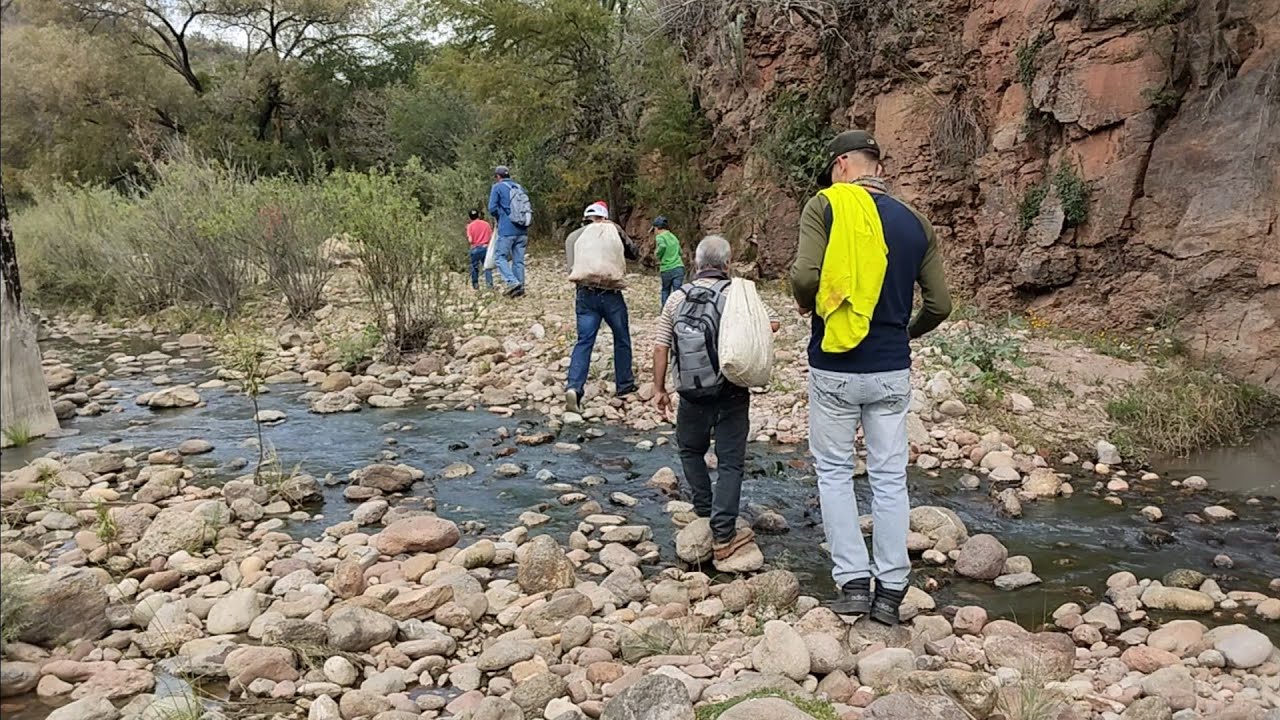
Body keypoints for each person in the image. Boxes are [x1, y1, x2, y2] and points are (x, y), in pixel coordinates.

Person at [789, 129, 952, 624]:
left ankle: (854, 585)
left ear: (842, 165)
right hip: (890, 369)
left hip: (835, 367)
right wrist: (906, 330)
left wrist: (809, 306)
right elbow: (940, 305)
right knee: (888, 478)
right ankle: (891, 591)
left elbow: (803, 277)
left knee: (835, 474)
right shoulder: (915, 222)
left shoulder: (827, 206)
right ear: (877, 168)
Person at [653, 235, 779, 562]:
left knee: (690, 450)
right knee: (730, 462)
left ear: (696, 263)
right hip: (730, 391)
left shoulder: (676, 299)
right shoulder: (737, 296)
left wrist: (659, 389)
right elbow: (760, 330)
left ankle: (704, 510)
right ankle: (723, 534)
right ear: (727, 263)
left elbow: (661, 344)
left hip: (690, 391)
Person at [564, 201, 639, 413]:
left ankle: (574, 387)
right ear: (604, 217)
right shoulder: (613, 229)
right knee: (621, 338)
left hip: (585, 294)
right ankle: (624, 385)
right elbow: (633, 252)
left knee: (584, 341)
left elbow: (572, 266)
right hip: (611, 293)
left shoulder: (574, 237)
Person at [487, 165, 530, 297]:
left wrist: (499, 216)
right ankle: (520, 287)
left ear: (498, 177)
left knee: (500, 257)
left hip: (507, 229)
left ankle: (512, 282)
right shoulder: (518, 187)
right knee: (518, 260)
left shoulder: (497, 187)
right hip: (522, 230)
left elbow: (492, 208)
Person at [652, 216, 685, 308]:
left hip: (667, 268)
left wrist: (657, 254)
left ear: (656, 228)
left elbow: (662, 246)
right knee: (678, 292)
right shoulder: (673, 236)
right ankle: (678, 310)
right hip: (679, 267)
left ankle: (665, 312)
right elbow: (680, 252)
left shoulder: (660, 237)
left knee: (665, 290)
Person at [466, 209, 494, 290]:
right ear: (478, 215)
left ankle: (475, 285)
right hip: (485, 247)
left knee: (474, 267)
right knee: (487, 267)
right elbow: (491, 236)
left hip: (475, 248)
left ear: (470, 217)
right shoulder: (486, 224)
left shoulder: (470, 226)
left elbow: (470, 240)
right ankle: (489, 285)